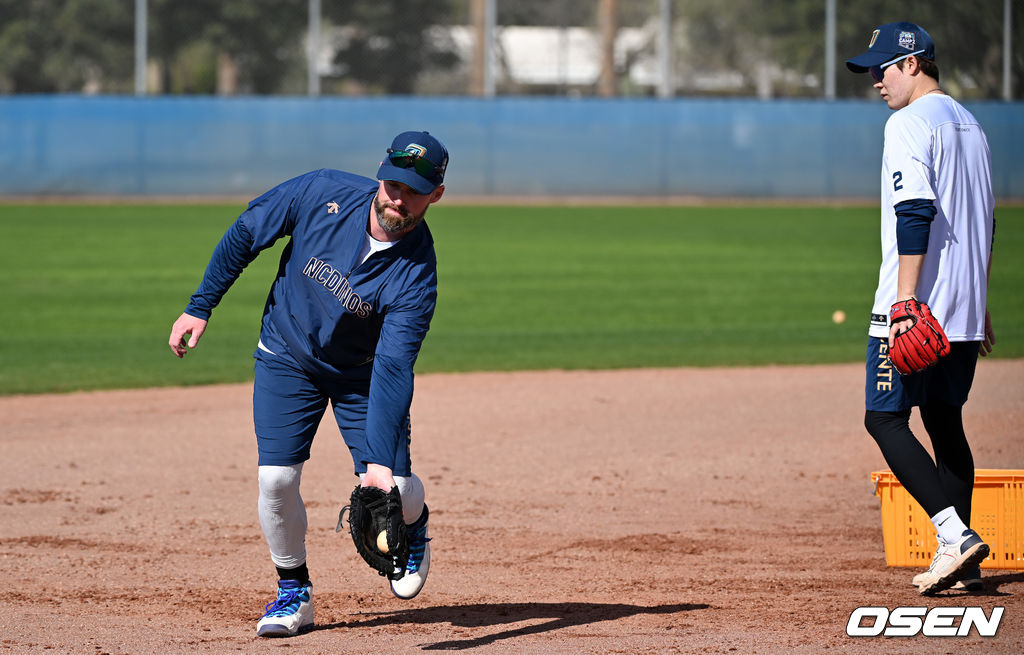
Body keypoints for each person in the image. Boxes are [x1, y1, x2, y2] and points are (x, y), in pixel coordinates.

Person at [168, 131, 448, 636]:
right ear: (379, 176)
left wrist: (379, 468)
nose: (398, 199)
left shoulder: (416, 276)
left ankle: (416, 519)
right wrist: (200, 304)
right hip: (287, 353)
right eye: (392, 185)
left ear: (437, 196)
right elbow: (246, 233)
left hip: (361, 375)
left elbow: (392, 367)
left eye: (414, 192)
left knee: (397, 488)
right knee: (276, 480)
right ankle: (293, 591)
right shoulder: (320, 191)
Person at [846, 23, 996, 595]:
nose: (876, 82)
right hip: (962, 310)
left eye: (882, 69)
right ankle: (968, 565)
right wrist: (979, 303)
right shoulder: (972, 124)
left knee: (883, 418)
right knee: (944, 420)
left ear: (912, 64)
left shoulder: (907, 123)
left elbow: (915, 210)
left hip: (916, 307)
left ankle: (955, 538)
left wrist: (905, 300)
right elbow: (987, 219)